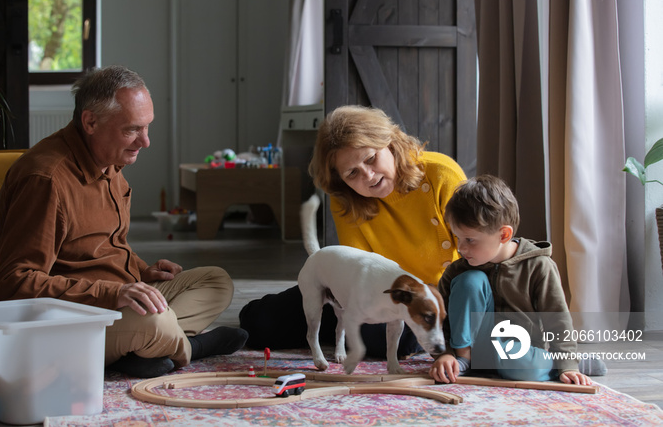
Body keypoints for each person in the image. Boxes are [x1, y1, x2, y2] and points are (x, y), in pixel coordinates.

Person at [0, 65, 248, 378]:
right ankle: (188, 347)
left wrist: (143, 270)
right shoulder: (45, 180)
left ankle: (139, 349)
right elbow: (13, 284)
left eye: (147, 127)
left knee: (215, 281)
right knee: (154, 321)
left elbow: (106, 245)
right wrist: (111, 294)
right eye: (132, 130)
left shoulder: (109, 161)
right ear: (90, 121)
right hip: (74, 318)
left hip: (120, 299)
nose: (145, 141)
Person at [239, 105, 467, 357]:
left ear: (389, 142)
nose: (368, 176)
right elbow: (355, 267)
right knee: (259, 324)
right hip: (366, 292)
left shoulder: (441, 174)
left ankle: (337, 328)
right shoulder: (345, 197)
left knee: (394, 338)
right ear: (342, 180)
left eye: (371, 158)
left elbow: (472, 256)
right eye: (352, 173)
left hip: (432, 298)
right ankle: (334, 325)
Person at [429, 174, 605, 385]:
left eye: (470, 240)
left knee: (523, 368)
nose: (461, 248)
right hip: (472, 353)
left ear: (503, 235)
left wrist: (567, 363)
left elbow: (557, 320)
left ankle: (563, 364)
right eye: (458, 238)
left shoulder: (539, 267)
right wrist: (445, 354)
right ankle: (463, 358)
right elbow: (440, 320)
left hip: (518, 354)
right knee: (470, 281)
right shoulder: (457, 272)